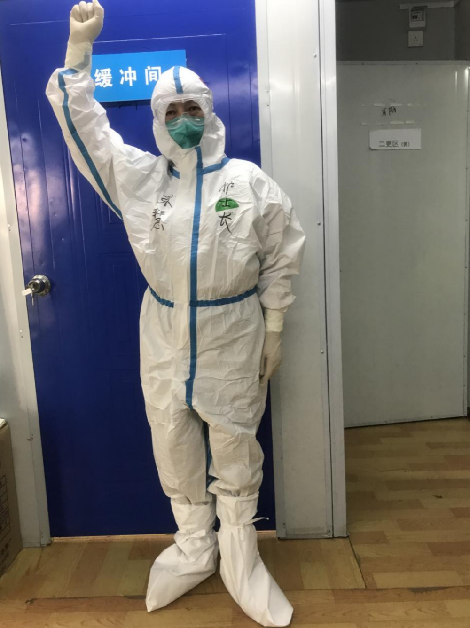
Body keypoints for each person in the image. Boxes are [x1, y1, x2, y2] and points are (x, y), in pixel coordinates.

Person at [46, 2, 305, 626]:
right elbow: (88, 133)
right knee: (172, 440)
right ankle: (194, 548)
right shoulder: (141, 181)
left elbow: (281, 257)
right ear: (158, 119)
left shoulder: (248, 183)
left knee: (235, 443)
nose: (184, 120)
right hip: (163, 331)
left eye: (193, 109)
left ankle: (241, 557)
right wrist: (79, 52)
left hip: (232, 331)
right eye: (171, 111)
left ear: (209, 113)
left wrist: (274, 327)